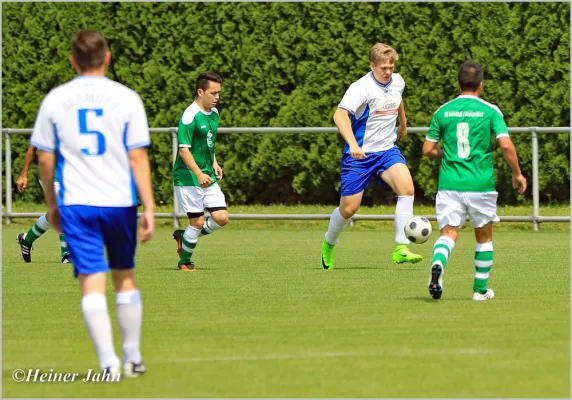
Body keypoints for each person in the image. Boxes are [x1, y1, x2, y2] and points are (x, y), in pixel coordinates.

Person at [30, 30, 155, 376]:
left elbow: (44, 157)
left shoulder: (56, 99)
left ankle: (108, 362)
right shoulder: (127, 97)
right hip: (119, 202)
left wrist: (52, 203)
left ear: (72, 60)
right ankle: (132, 356)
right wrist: (149, 206)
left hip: (78, 203)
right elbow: (137, 157)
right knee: (124, 276)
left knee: (91, 279)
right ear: (108, 58)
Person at [422, 60, 527, 301]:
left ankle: (438, 263)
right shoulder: (490, 111)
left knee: (448, 234)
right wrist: (517, 173)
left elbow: (428, 149)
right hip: (481, 185)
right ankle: (480, 291)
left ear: (458, 83)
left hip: (450, 184)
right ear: (481, 85)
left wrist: (445, 153)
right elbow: (506, 145)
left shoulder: (443, 111)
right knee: (484, 237)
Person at [321, 42, 423, 270]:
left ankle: (401, 248)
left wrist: (403, 124)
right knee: (349, 209)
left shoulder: (398, 81)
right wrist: (353, 144)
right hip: (360, 155)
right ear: (372, 65)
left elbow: (398, 100)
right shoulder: (361, 87)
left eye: (391, 67)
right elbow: (339, 116)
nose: (388, 72)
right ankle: (329, 241)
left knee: (407, 189)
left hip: (387, 150)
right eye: (383, 68)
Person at [172, 72, 229, 271]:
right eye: (213, 93)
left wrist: (214, 162)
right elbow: (183, 149)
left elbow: (208, 143)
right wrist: (198, 173)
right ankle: (185, 261)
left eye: (219, 93)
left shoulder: (214, 113)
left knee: (221, 218)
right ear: (200, 91)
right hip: (188, 177)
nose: (217, 97)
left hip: (207, 175)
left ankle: (185, 236)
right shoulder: (189, 116)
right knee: (196, 222)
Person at [16, 145, 71, 263]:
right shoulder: (45, 126)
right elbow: (32, 148)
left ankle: (27, 239)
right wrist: (24, 174)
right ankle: (66, 254)